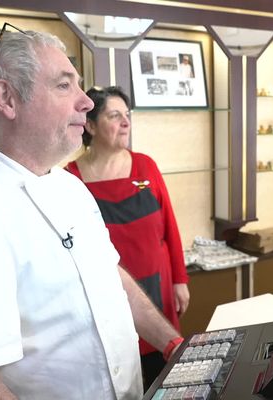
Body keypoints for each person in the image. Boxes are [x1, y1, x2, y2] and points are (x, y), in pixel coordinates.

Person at [0, 25, 183, 400]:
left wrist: (173, 346)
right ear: (7, 99)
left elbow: (110, 278)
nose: (86, 102)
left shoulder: (69, 186)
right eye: (63, 85)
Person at [65, 86, 190, 390]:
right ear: (90, 125)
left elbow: (169, 227)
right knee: (122, 372)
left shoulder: (146, 165)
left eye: (127, 116)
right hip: (109, 296)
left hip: (158, 289)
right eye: (114, 115)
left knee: (164, 372)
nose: (125, 122)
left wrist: (179, 279)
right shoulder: (70, 179)